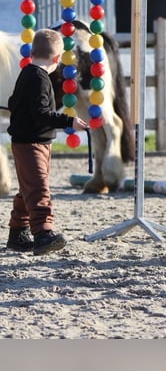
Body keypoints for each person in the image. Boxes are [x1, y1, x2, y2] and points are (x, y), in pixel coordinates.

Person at [6, 28, 88, 255]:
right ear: (57, 58)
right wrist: (69, 121)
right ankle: (43, 234)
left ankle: (18, 234)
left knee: (28, 188)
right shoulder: (40, 80)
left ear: (32, 52)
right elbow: (42, 113)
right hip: (32, 143)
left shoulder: (27, 73)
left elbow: (14, 101)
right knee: (39, 188)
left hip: (32, 142)